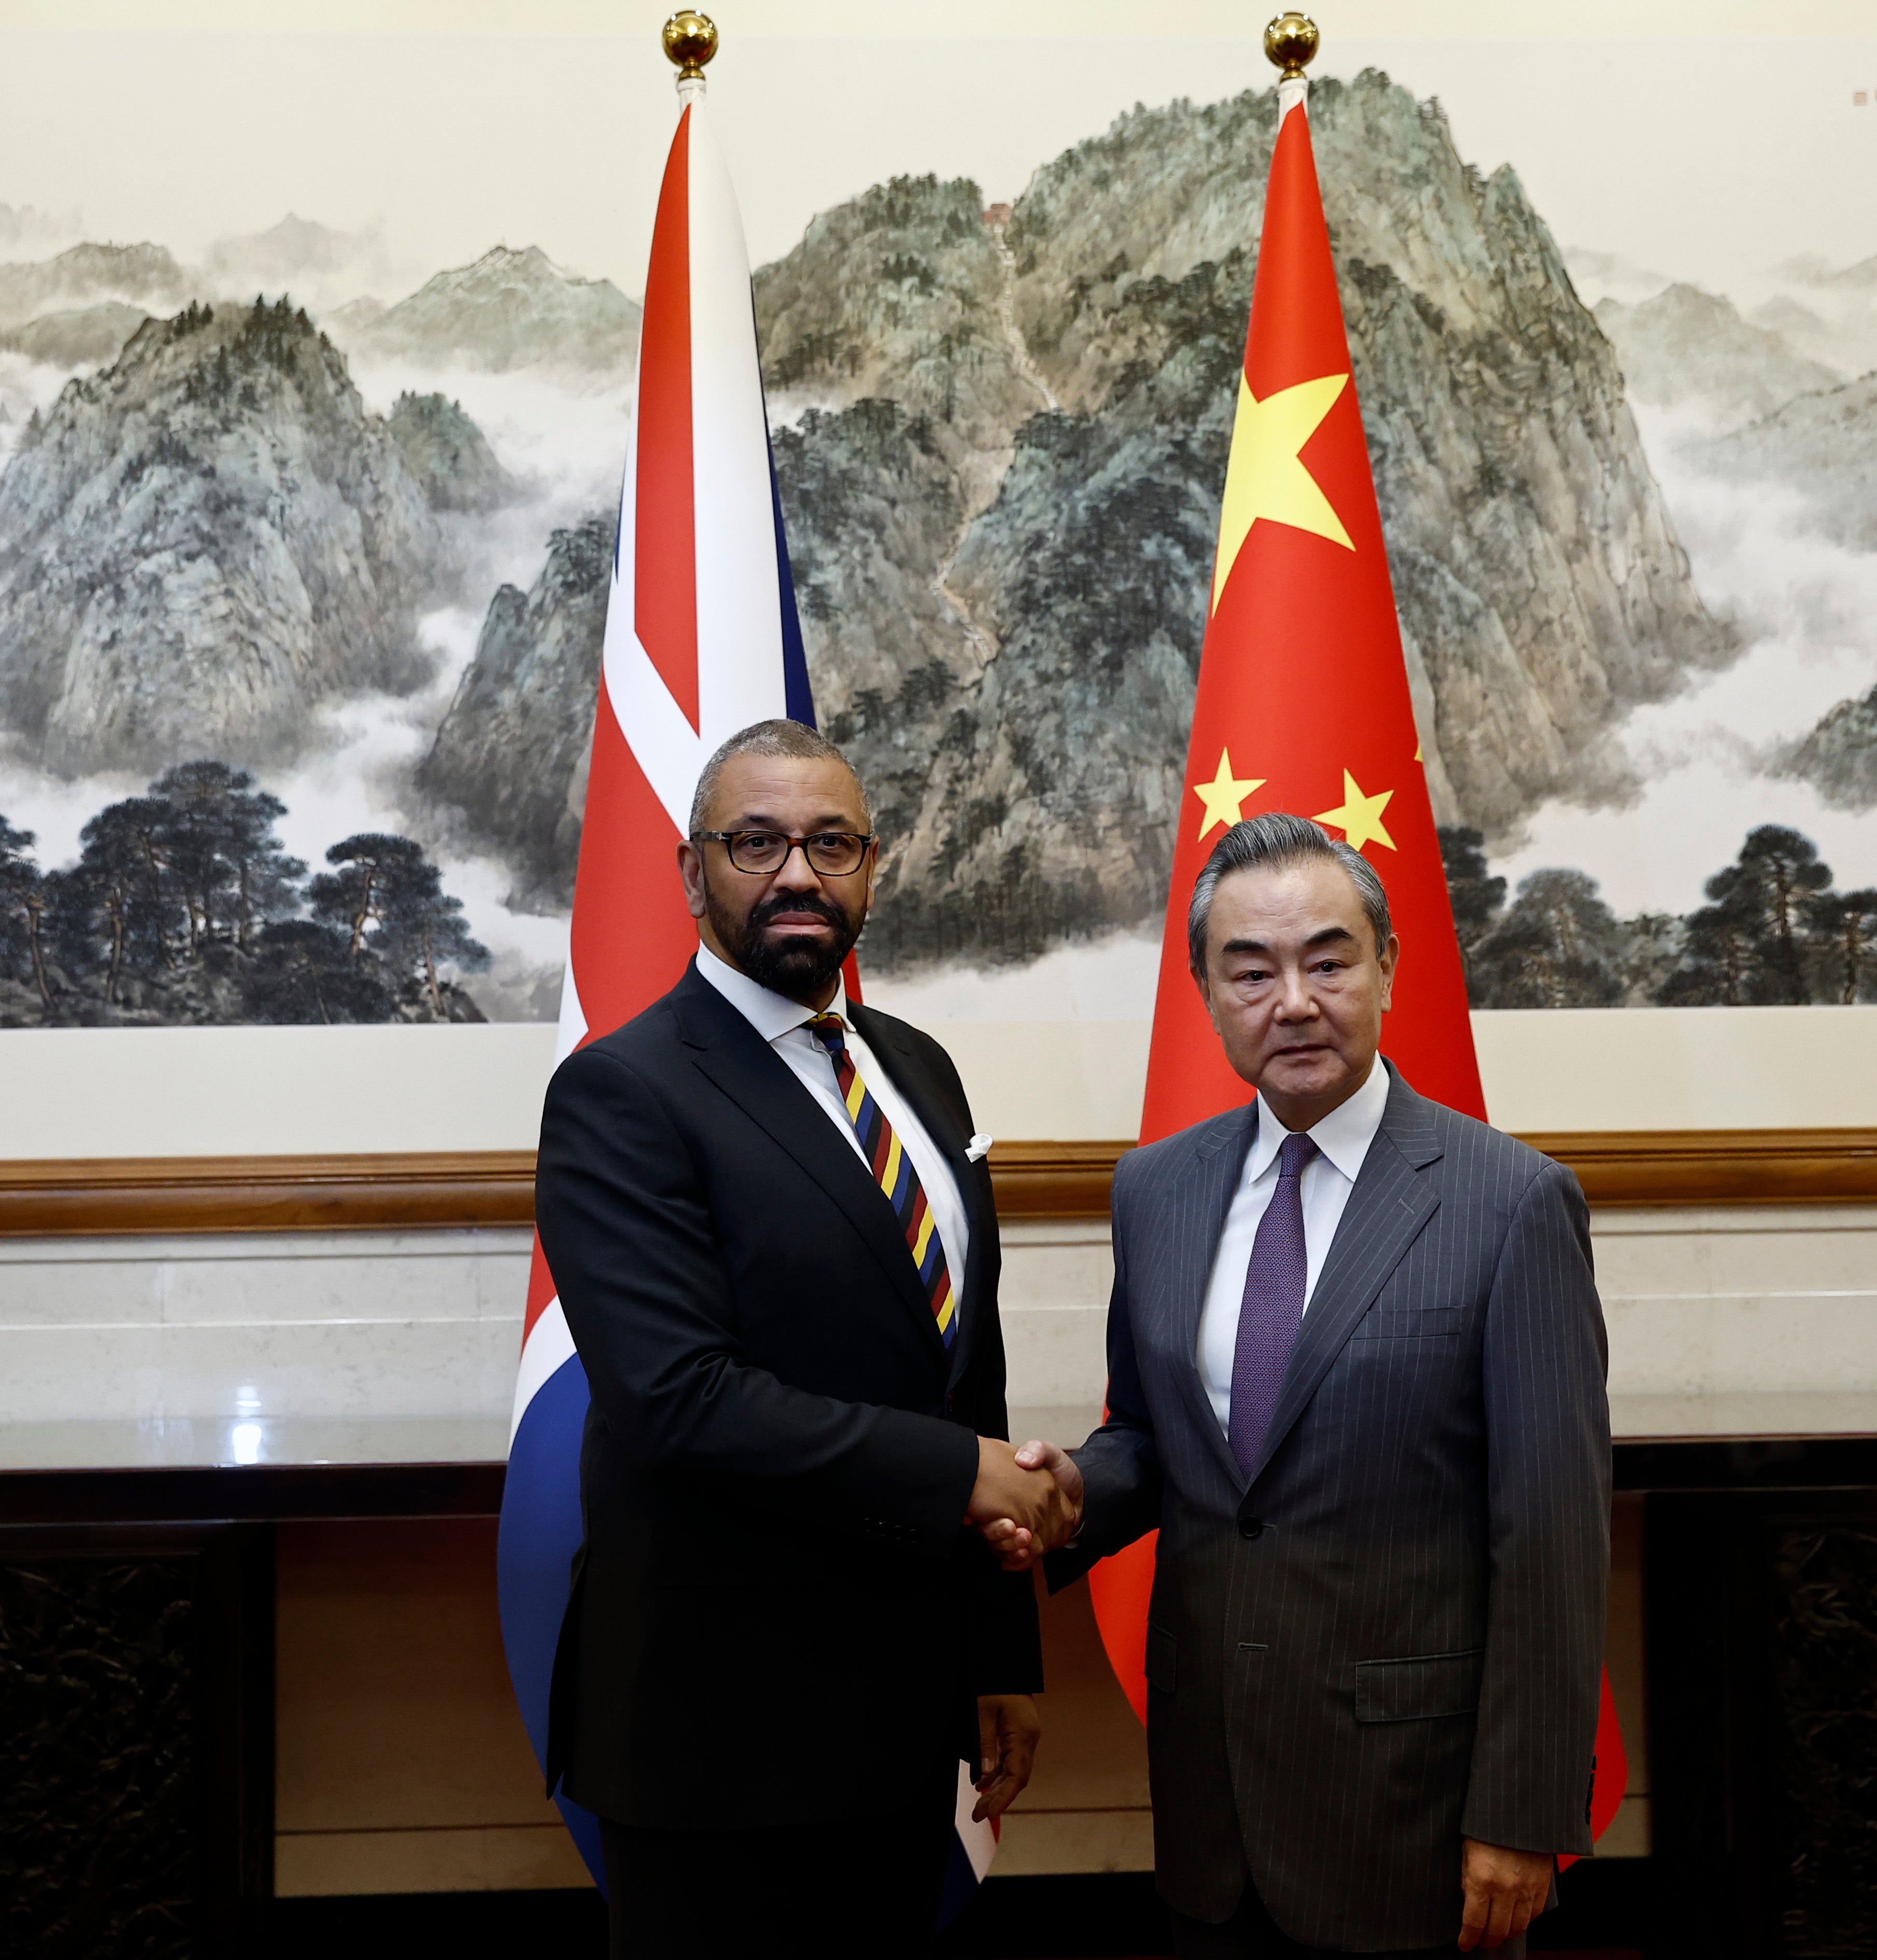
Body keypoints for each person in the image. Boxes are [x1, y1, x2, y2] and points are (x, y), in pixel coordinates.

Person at [995, 812, 1610, 1959]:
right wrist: (1069, 1486)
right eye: (1251, 970)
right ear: (1203, 990)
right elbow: (1155, 1433)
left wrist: (1522, 1817)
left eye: (1327, 961)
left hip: (1412, 1815)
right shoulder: (1157, 1191)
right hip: (1209, 1793)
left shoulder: (1509, 1205)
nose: (1293, 1000)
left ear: (1386, 966)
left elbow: (1552, 1541)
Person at [533, 718, 1074, 1959]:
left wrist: (1000, 1649)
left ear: (871, 869)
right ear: (690, 872)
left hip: (903, 1709)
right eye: (755, 841)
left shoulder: (917, 1071)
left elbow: (965, 1374)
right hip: (720, 1731)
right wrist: (962, 1478)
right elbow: (679, 1397)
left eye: (830, 843)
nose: (795, 873)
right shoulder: (626, 1090)